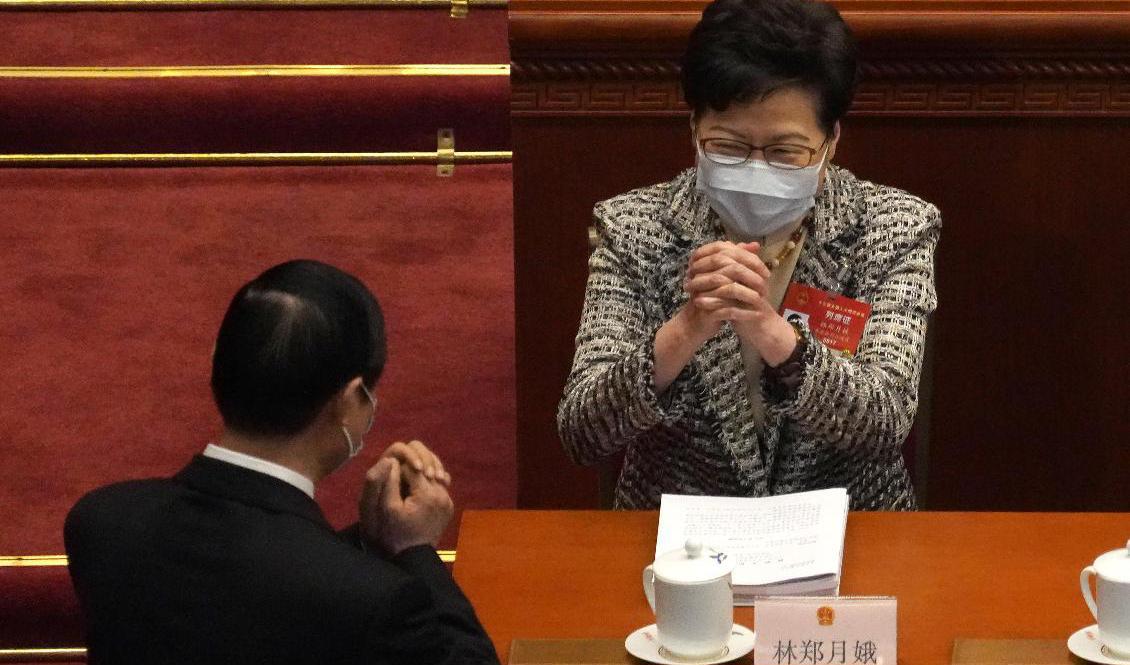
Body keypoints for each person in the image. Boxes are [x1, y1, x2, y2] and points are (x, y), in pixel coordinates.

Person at [557, 0, 940, 510]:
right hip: (678, 548)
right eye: (730, 147)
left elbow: (883, 424)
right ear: (694, 130)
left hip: (850, 534)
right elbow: (583, 433)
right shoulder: (634, 228)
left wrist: (772, 331)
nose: (756, 167)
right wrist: (686, 328)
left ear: (831, 142)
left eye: (785, 152)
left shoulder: (893, 228)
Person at [64, 260, 499, 665]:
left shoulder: (100, 523)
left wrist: (368, 541)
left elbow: (259, 567)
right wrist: (414, 549)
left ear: (217, 361)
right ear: (349, 401)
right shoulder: (374, 600)